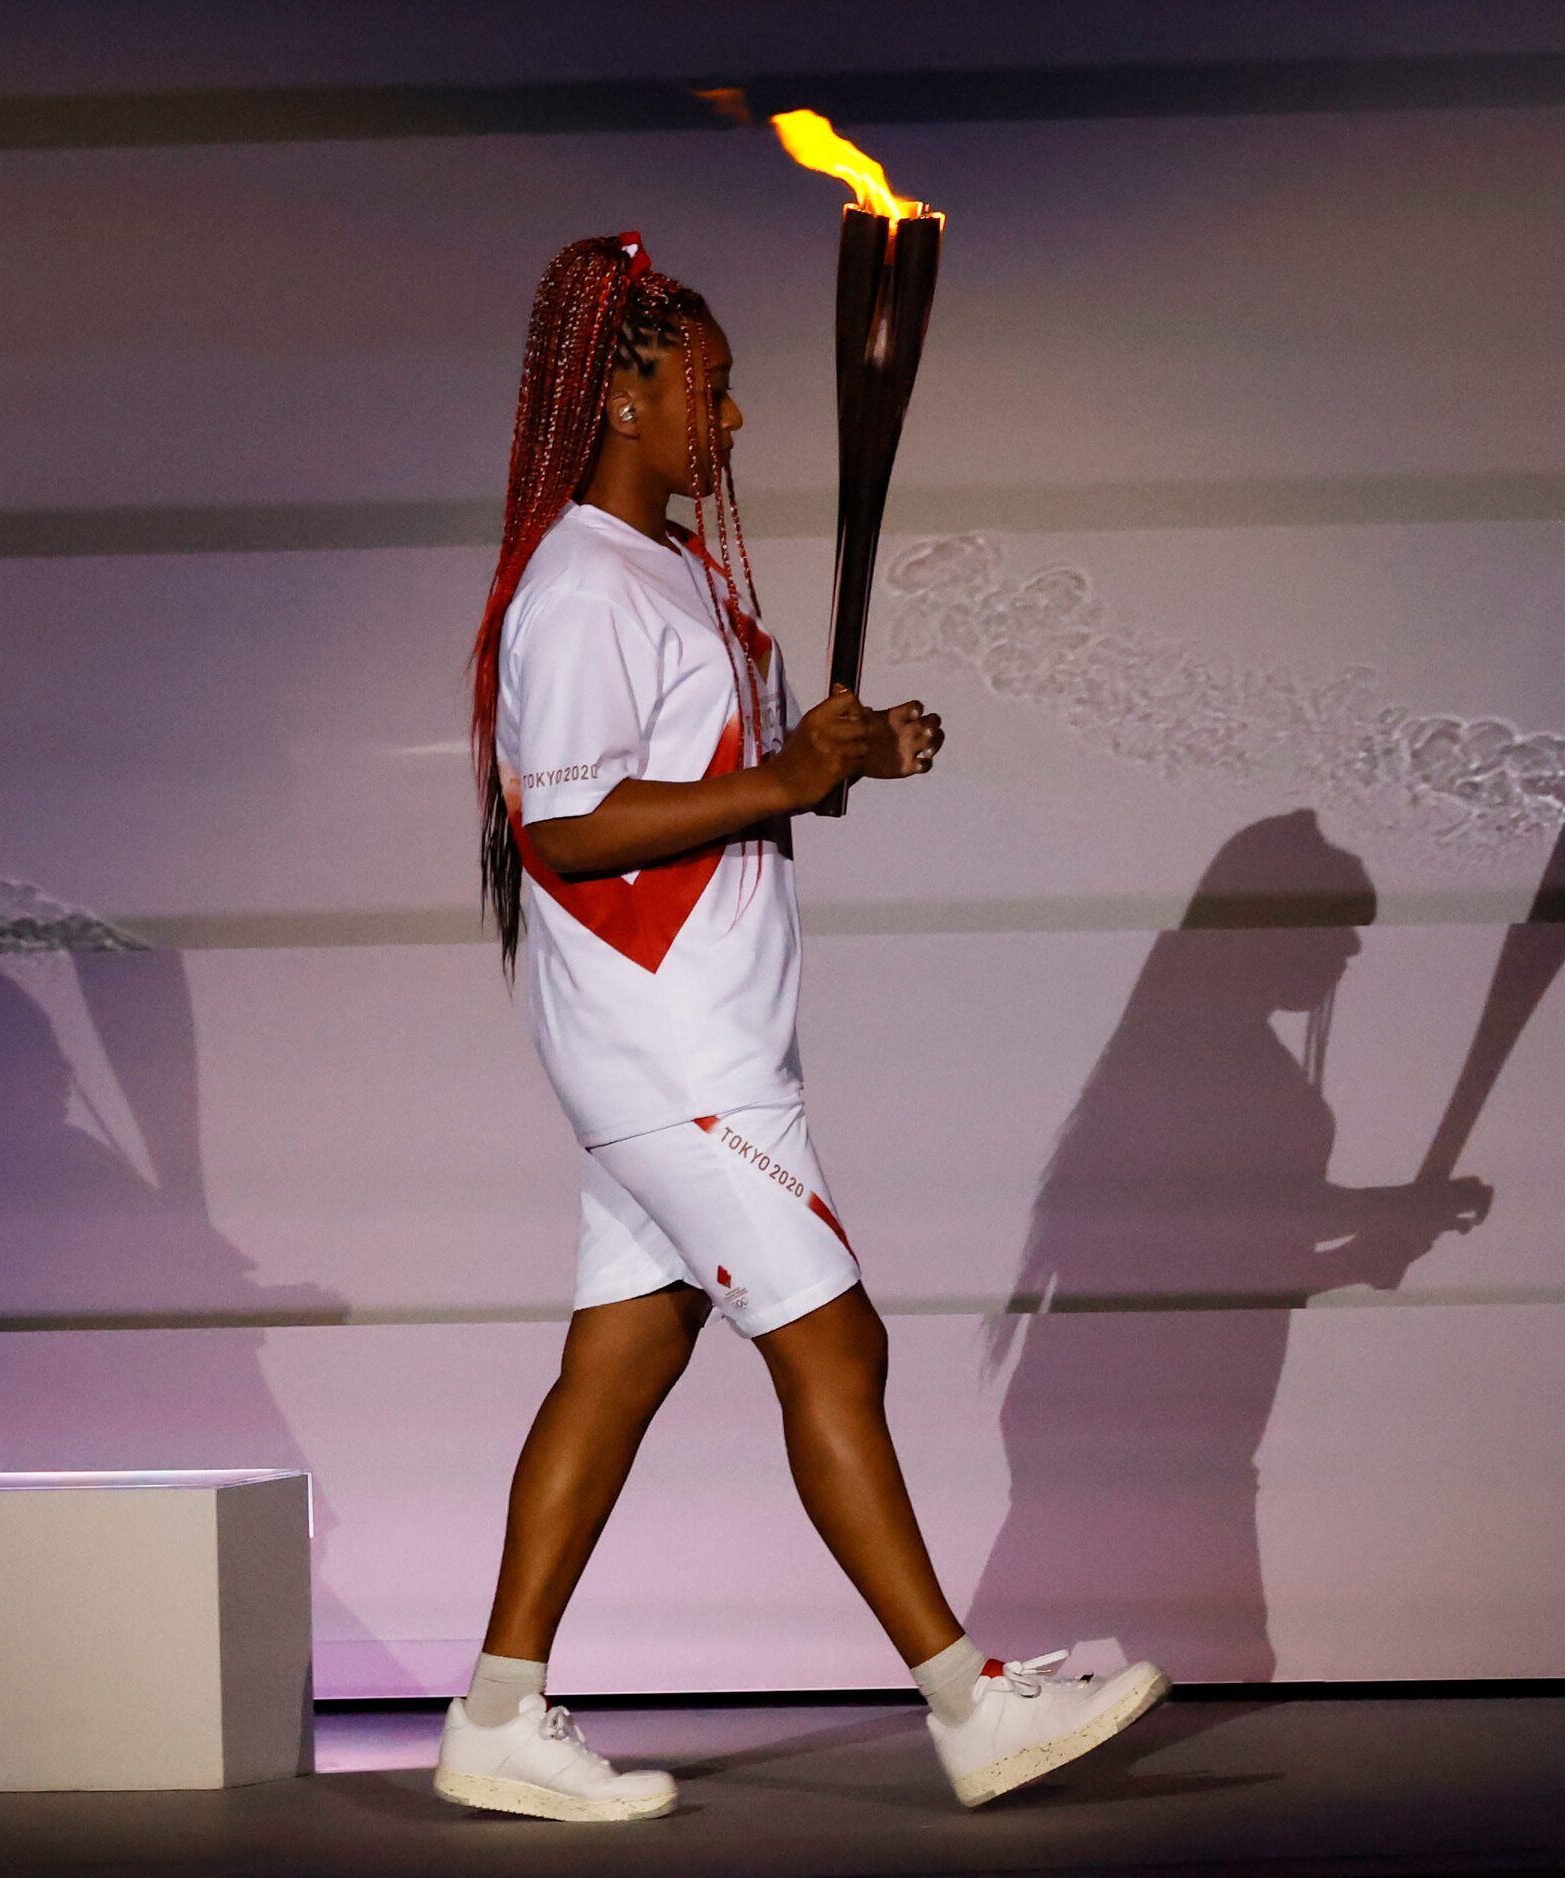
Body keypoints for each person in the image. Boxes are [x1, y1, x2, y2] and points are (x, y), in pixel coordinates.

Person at [429, 232, 1168, 1822]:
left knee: (618, 1363)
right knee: (836, 1339)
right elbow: (571, 827)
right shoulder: (574, 583)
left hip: (694, 1041)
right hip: (668, 1047)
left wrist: (841, 752)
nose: (738, 421)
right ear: (625, 397)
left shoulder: (668, 573)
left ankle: (496, 1713)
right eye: (716, 388)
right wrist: (780, 778)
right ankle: (970, 1703)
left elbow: (707, 795)